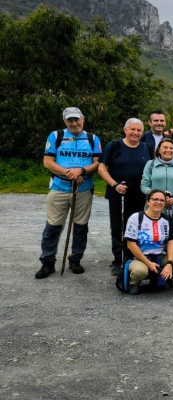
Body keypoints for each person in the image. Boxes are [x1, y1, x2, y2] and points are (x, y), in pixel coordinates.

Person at [36, 107, 102, 279]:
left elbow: (97, 164)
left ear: (83, 119)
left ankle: (75, 259)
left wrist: (81, 170)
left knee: (80, 226)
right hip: (59, 186)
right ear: (65, 121)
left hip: (83, 188)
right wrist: (68, 173)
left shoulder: (92, 138)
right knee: (52, 227)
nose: (74, 123)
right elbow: (48, 162)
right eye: (70, 120)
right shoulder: (56, 136)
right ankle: (48, 262)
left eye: (76, 119)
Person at [99, 118, 152, 275]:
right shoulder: (114, 146)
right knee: (117, 226)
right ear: (125, 130)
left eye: (138, 130)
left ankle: (131, 257)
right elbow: (102, 168)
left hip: (139, 192)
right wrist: (114, 184)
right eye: (132, 129)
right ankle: (117, 259)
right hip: (118, 190)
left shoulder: (147, 148)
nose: (135, 133)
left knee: (136, 226)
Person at [121, 190, 173, 294]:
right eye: (155, 199)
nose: (159, 202)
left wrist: (169, 264)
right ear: (147, 202)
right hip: (139, 258)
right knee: (140, 271)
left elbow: (171, 242)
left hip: (159, 256)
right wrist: (148, 263)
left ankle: (165, 277)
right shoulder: (135, 218)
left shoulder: (167, 220)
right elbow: (131, 245)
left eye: (162, 200)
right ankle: (134, 282)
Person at [141, 138, 173, 260]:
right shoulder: (151, 164)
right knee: (154, 235)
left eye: (171, 148)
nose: (168, 150)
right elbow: (144, 185)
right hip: (153, 208)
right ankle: (152, 263)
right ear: (159, 149)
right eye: (165, 147)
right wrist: (156, 198)